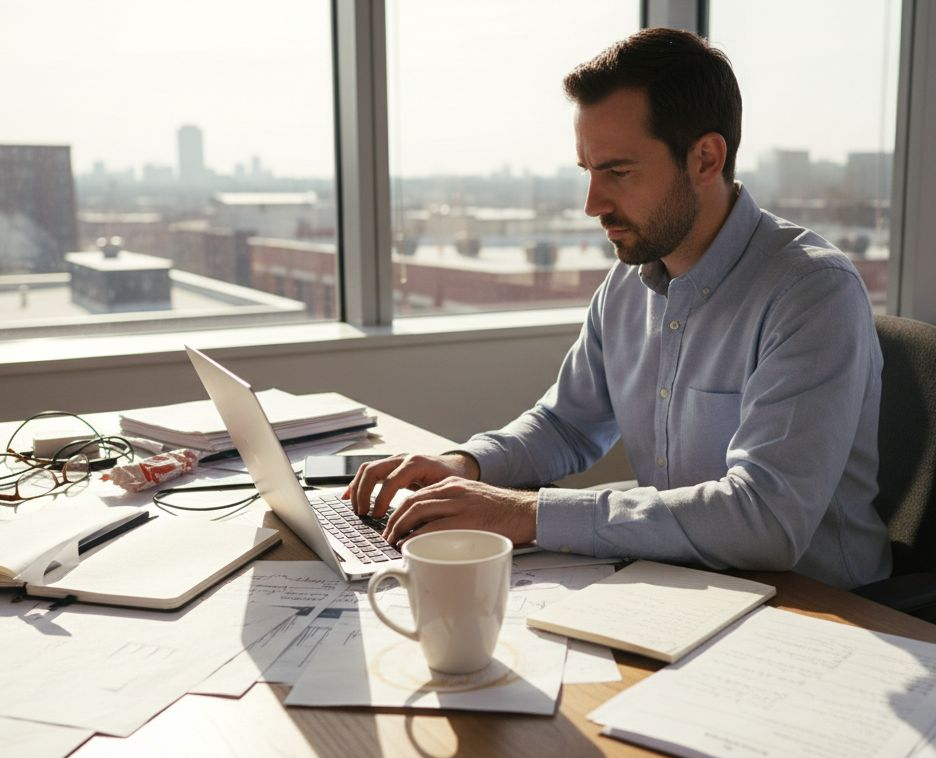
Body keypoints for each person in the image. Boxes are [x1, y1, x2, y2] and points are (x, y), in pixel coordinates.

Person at [347, 27, 891, 590]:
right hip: (682, 585)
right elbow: (566, 425)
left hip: (815, 606)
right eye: (588, 171)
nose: (592, 204)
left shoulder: (812, 292)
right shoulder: (629, 281)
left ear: (705, 158)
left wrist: (526, 514)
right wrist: (467, 465)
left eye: (618, 172)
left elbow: (766, 520)